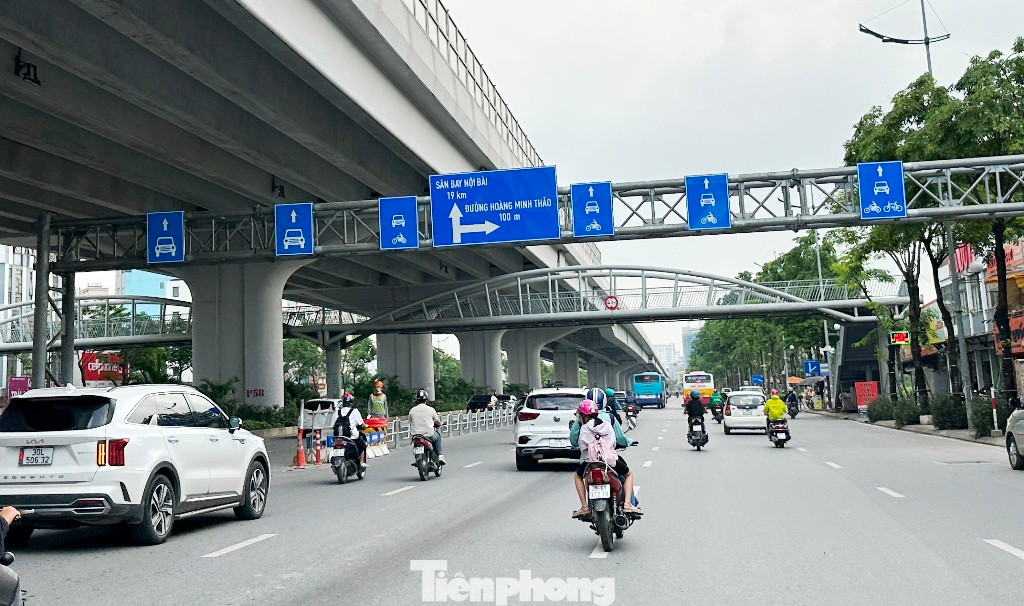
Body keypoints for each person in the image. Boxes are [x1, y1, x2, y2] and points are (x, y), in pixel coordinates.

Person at [571, 399, 641, 519]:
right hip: (610, 462)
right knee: (628, 474)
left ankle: (584, 507)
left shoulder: (583, 429)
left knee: (578, 476)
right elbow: (613, 444)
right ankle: (628, 504)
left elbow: (582, 447)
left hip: (590, 463)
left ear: (583, 415)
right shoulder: (607, 425)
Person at [331, 393, 368, 469]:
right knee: (362, 444)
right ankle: (361, 462)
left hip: (338, 438)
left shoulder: (336, 413)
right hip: (352, 438)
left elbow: (332, 426)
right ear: (351, 402)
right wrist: (367, 426)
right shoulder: (354, 411)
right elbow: (362, 424)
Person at [408, 388, 444, 464]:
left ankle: (417, 459)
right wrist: (440, 423)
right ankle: (440, 455)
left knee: (415, 444)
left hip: (416, 435)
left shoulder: (412, 410)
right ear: (426, 399)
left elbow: (410, 421)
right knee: (437, 437)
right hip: (428, 435)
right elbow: (436, 421)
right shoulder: (431, 409)